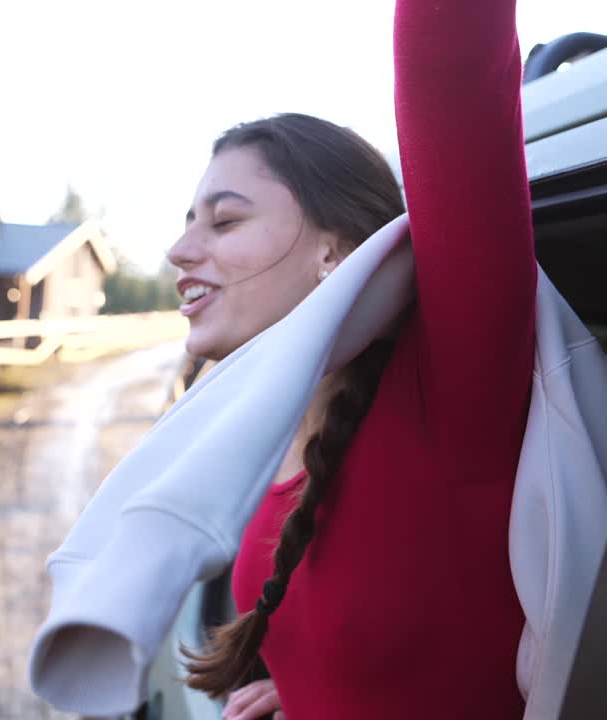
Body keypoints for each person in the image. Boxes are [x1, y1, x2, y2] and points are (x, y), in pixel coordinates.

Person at [165, 0, 536, 717]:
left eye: (226, 220)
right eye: (188, 223)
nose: (180, 252)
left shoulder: (449, 398)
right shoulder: (262, 427)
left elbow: (454, 72)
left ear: (333, 250)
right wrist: (308, 686)